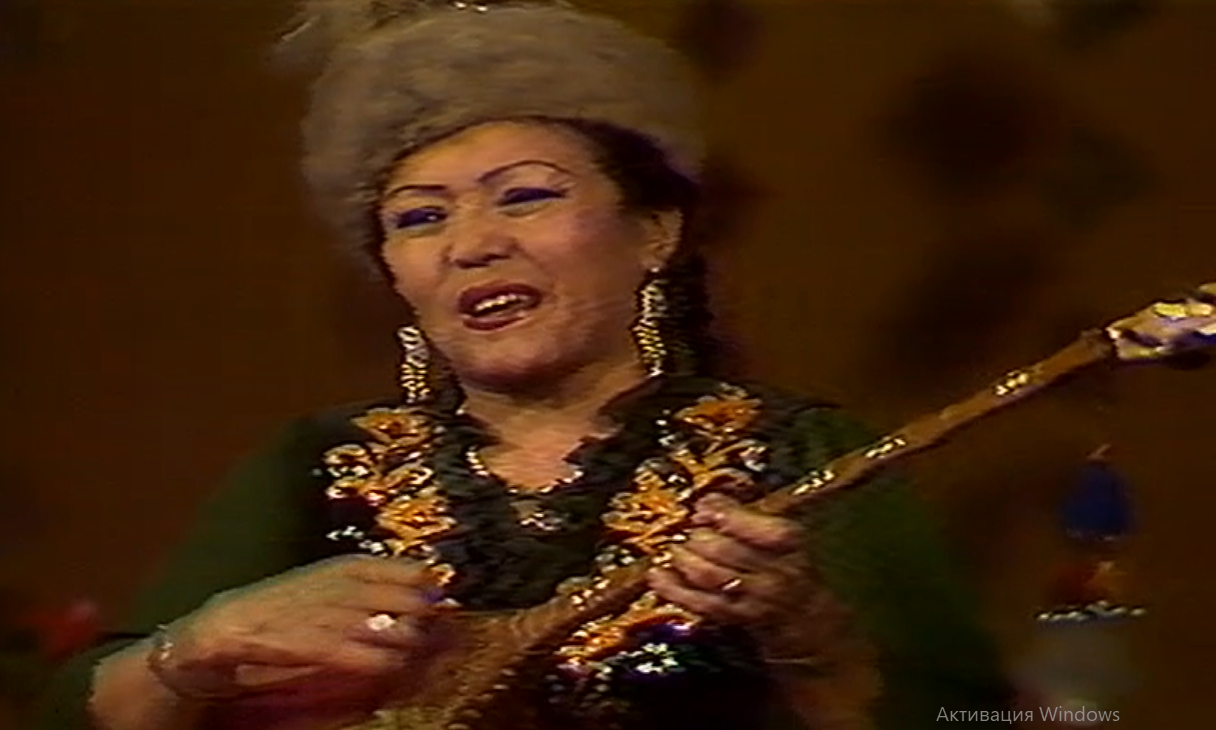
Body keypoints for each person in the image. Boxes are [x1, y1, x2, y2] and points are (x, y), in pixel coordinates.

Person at [36, 2, 1013, 729]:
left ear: (654, 232)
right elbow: (73, 714)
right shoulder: (316, 466)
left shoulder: (797, 453)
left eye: (526, 196)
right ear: (394, 274)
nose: (472, 244)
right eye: (421, 217)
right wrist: (201, 648)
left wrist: (810, 638)